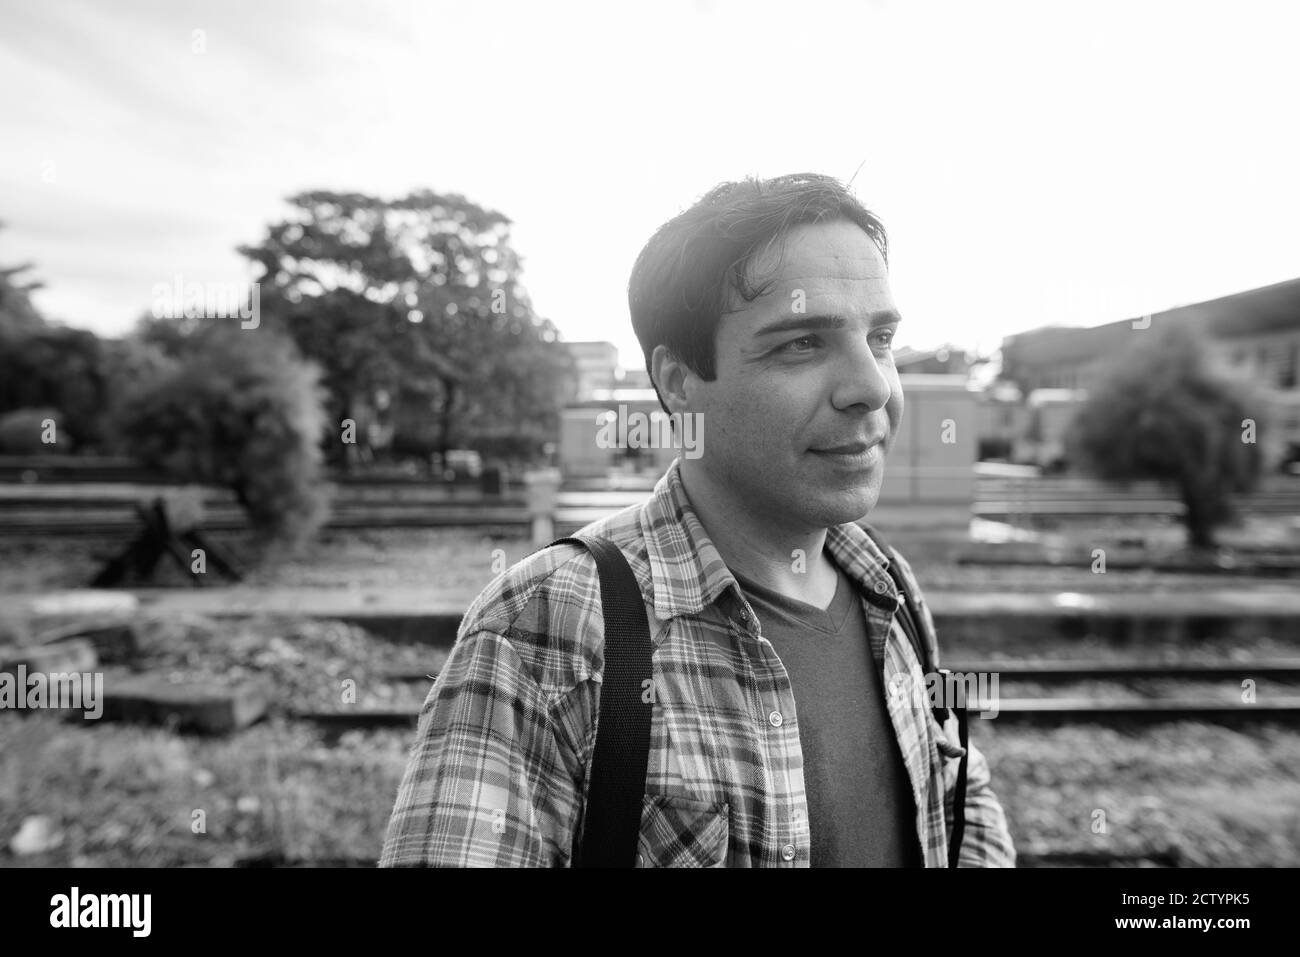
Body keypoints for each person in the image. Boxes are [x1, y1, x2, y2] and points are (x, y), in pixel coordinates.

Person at [380, 172, 1016, 867]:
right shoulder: (542, 629)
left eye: (882, 337)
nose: (873, 387)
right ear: (680, 381)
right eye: (802, 343)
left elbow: (957, 799)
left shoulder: (888, 587)